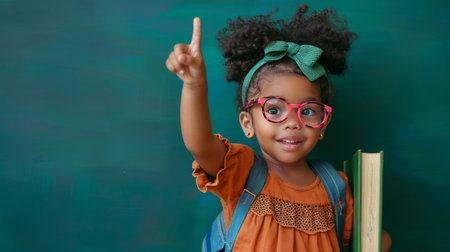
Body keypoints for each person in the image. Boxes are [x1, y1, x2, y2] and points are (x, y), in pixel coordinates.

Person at [166, 4, 391, 251]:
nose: (293, 122)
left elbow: (374, 240)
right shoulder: (241, 172)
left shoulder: (335, 188)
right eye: (274, 110)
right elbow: (199, 145)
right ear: (247, 123)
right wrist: (194, 84)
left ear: (323, 123)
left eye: (307, 111)